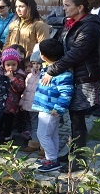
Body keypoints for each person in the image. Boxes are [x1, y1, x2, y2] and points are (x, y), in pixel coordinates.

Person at [40, 0, 100, 171]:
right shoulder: (74, 23)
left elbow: (76, 53)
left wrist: (52, 70)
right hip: (74, 75)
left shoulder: (90, 26)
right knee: (73, 118)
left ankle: (77, 159)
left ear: (80, 7)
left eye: (67, 5)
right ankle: (73, 153)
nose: (64, 8)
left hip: (85, 77)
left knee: (78, 119)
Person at [32, 39, 74, 173]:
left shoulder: (62, 74)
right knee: (52, 134)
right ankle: (52, 157)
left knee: (43, 134)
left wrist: (59, 108)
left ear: (43, 56)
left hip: (50, 109)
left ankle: (51, 160)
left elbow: (66, 93)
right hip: (46, 107)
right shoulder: (49, 69)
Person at [0, 48, 26, 142]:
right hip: (0, 102)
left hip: (12, 103)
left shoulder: (19, 75)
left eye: (14, 65)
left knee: (9, 121)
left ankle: (7, 137)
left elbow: (20, 87)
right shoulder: (0, 73)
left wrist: (12, 79)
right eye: (8, 65)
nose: (11, 67)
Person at [20, 51, 42, 153]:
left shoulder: (44, 76)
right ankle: (34, 142)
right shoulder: (29, 76)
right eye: (34, 63)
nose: (36, 66)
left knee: (43, 125)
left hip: (41, 105)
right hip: (31, 104)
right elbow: (26, 90)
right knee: (34, 123)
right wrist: (22, 101)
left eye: (38, 63)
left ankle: (43, 146)